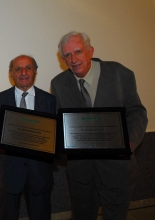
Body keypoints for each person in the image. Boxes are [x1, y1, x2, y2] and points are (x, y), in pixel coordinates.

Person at [51, 31, 147, 220]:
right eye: (68, 55)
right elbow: (58, 122)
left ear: (90, 51)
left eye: (78, 52)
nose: (73, 59)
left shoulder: (121, 74)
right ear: (63, 59)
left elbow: (137, 112)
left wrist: (129, 142)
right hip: (81, 173)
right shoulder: (59, 83)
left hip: (117, 169)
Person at [0, 55, 56, 220]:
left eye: (28, 67)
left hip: (40, 173)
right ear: (11, 73)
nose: (23, 72)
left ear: (35, 71)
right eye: (18, 69)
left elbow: (55, 136)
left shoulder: (50, 100)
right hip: (9, 173)